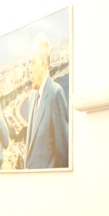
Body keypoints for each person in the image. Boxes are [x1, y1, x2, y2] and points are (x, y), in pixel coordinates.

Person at [24, 33, 69, 169]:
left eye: (33, 63)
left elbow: (63, 154)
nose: (29, 70)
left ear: (43, 64)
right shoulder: (32, 98)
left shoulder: (56, 94)